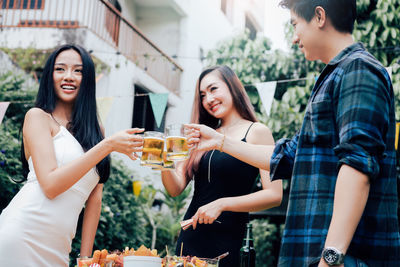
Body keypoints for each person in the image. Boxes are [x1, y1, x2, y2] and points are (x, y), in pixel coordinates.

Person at [186, 1, 400, 266]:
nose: (295, 36)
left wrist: (331, 258)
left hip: (345, 259)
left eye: (295, 25)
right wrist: (220, 141)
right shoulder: (334, 76)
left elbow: (358, 167)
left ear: (319, 16)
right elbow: (289, 155)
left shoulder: (358, 70)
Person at [0, 44, 144, 266]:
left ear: (87, 80)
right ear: (50, 75)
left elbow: (95, 200)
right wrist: (107, 146)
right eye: (60, 69)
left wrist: (85, 258)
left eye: (78, 71)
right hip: (22, 235)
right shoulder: (38, 117)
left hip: (59, 248)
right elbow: (50, 185)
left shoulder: (97, 132)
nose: (69, 76)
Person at [161, 65, 282, 267]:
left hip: (229, 242)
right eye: (202, 95)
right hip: (190, 239)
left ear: (232, 86)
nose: (208, 99)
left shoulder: (257, 131)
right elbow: (174, 189)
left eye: (213, 89)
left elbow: (274, 195)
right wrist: (163, 160)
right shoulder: (202, 134)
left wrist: (222, 204)